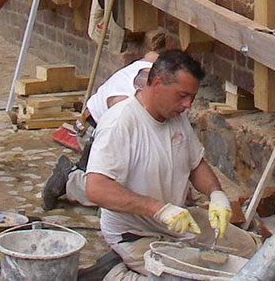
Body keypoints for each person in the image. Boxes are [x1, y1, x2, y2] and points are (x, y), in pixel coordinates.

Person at [84, 50, 260, 280]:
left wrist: (217, 195)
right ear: (157, 83)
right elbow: (95, 188)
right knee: (185, 278)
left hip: (179, 222)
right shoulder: (121, 122)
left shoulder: (176, 115)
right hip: (135, 232)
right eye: (182, 96)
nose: (187, 105)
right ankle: (114, 272)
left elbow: (196, 165)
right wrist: (158, 209)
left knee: (253, 253)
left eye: (192, 98)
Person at [44, 30, 172, 210]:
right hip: (93, 130)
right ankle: (70, 179)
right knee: (118, 195)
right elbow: (119, 135)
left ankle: (85, 169)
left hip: (97, 122)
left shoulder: (156, 63)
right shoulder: (126, 104)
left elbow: (151, 54)